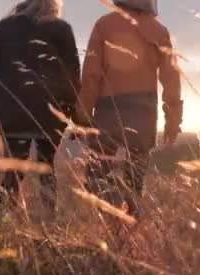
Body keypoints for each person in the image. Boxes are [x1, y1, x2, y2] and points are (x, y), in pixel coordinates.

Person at [76, 0, 183, 219]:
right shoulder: (159, 31)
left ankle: (110, 221)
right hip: (144, 113)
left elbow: (90, 76)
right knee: (135, 184)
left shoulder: (104, 25)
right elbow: (171, 79)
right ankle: (130, 230)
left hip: (108, 111)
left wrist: (82, 117)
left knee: (97, 177)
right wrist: (173, 120)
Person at [0, 0, 80, 219]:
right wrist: (73, 113)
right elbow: (73, 75)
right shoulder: (61, 29)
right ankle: (49, 223)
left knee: (13, 170)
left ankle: (5, 223)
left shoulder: (2, 28)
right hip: (51, 114)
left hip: (11, 112)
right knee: (47, 167)